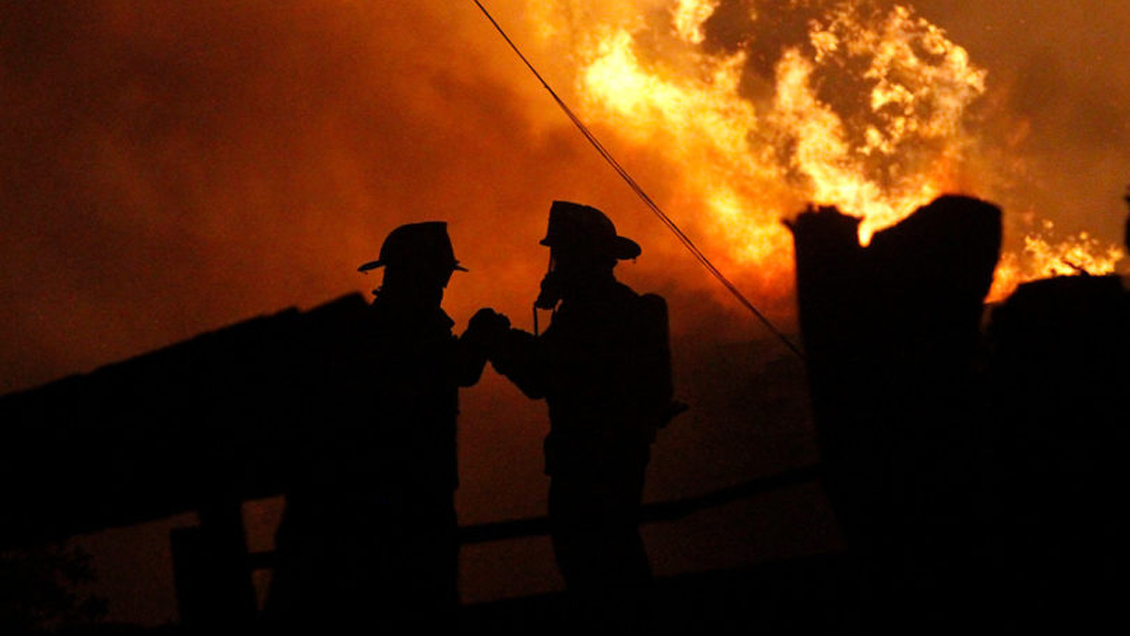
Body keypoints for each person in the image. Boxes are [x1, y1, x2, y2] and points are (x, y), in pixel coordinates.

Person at [264, 221, 507, 631]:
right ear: (421, 272)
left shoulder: (386, 324)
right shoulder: (406, 328)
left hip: (398, 492)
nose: (443, 283)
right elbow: (454, 371)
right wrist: (481, 336)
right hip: (407, 495)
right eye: (440, 273)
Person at [488, 201, 677, 627]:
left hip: (589, 463)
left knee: (596, 565)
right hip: (617, 459)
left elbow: (543, 376)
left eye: (564, 254)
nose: (556, 265)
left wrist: (498, 340)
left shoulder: (594, 313)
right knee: (618, 555)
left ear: (582, 257)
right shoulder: (614, 308)